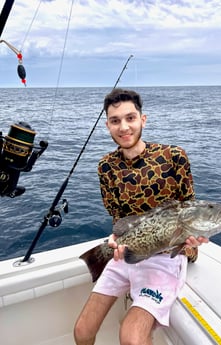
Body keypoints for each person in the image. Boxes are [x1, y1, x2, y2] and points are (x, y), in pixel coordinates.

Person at [74, 88, 208, 345]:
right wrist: (115, 241)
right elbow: (117, 217)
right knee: (82, 331)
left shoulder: (174, 157)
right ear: (107, 125)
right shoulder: (105, 167)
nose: (124, 127)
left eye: (130, 118)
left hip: (166, 257)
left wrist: (191, 241)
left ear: (142, 119)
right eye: (115, 121)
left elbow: (190, 210)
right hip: (128, 250)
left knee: (132, 337)